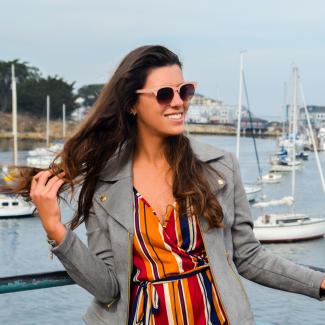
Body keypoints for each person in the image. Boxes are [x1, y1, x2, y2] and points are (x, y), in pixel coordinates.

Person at [7, 45, 325, 325]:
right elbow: (107, 287)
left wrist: (319, 283)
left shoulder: (220, 167)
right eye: (164, 94)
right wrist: (55, 229)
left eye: (184, 91)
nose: (178, 103)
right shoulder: (104, 181)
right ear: (132, 104)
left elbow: (248, 256)